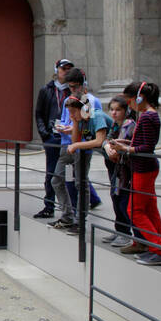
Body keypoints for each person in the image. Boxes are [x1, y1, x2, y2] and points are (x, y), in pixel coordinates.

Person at [111, 81, 161, 266]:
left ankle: (158, 250)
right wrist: (125, 143)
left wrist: (125, 149)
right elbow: (144, 144)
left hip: (143, 168)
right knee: (150, 209)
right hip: (146, 167)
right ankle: (156, 247)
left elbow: (147, 147)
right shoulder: (148, 115)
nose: (129, 105)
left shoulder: (147, 117)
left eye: (129, 101)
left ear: (139, 98)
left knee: (134, 210)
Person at [58, 95, 108, 235]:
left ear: (83, 108)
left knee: (82, 184)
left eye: (73, 112)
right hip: (96, 153)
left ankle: (80, 222)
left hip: (112, 153)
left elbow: (99, 140)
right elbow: (75, 140)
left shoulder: (96, 116)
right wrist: (74, 122)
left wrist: (77, 145)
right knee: (79, 183)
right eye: (69, 112)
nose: (71, 115)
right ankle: (78, 221)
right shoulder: (80, 120)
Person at [34, 59, 74, 220]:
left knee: (70, 174)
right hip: (52, 137)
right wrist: (44, 133)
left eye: (69, 69)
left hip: (69, 139)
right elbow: (39, 113)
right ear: (56, 70)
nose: (66, 71)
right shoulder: (47, 90)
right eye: (63, 68)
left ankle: (74, 207)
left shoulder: (72, 91)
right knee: (51, 173)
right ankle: (49, 205)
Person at [62, 68, 104, 213]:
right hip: (74, 146)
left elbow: (97, 137)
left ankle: (80, 217)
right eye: (70, 87)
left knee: (81, 182)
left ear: (82, 85)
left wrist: (78, 142)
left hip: (88, 147)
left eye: (74, 86)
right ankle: (75, 215)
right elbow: (76, 134)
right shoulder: (71, 101)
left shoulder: (93, 104)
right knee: (71, 180)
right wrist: (73, 122)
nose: (71, 89)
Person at [100, 96, 133, 247]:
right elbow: (107, 141)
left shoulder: (129, 124)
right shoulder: (114, 125)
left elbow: (121, 144)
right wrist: (107, 146)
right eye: (112, 109)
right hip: (115, 168)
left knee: (123, 200)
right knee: (115, 198)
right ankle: (119, 229)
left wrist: (110, 145)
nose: (113, 113)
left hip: (125, 170)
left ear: (126, 111)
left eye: (118, 110)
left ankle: (125, 233)